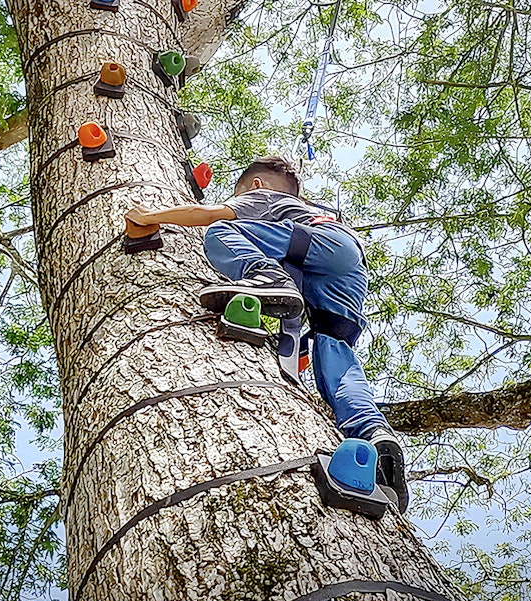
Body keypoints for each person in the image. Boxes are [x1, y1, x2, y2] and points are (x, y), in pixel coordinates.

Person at [125, 156, 409, 512]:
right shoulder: (313, 212)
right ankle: (375, 437)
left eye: (238, 194)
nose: (238, 202)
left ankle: (266, 276)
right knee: (335, 353)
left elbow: (210, 215)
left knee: (221, 232)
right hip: (346, 272)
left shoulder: (264, 198)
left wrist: (148, 217)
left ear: (255, 186)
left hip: (317, 244)